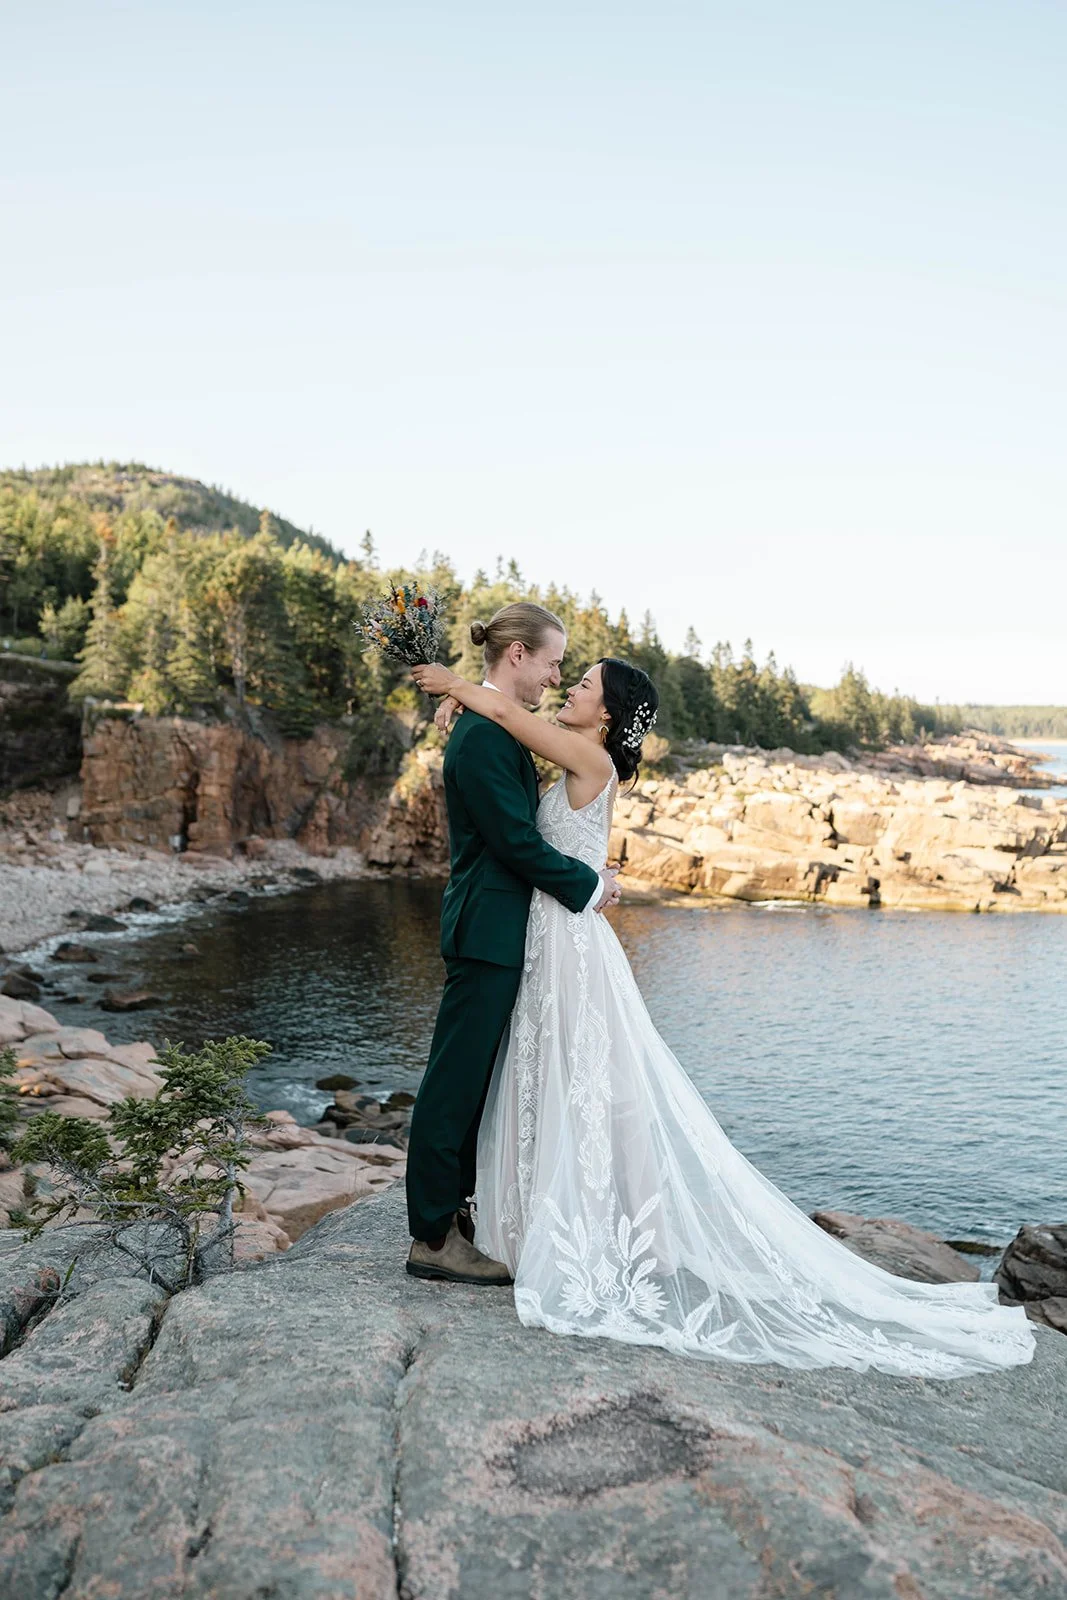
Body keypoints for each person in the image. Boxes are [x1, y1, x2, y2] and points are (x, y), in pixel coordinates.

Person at [410, 651, 1037, 1378]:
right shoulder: (577, 753)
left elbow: (512, 717)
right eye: (566, 674)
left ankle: (571, 1230)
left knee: (579, 1079)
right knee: (559, 1074)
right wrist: (462, 711)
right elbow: (511, 740)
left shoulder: (585, 754)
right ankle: (544, 1221)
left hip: (564, 937)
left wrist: (457, 688)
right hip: (549, 934)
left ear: (606, 714)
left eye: (580, 685)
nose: (568, 687)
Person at [405, 603, 621, 1286]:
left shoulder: (495, 728)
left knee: (479, 1083)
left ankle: (458, 1212)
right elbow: (515, 842)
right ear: (518, 655)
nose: (557, 678)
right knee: (454, 1083)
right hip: (487, 930)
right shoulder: (481, 736)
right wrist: (588, 885)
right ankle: (433, 1236)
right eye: (554, 663)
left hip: (506, 930)